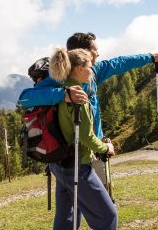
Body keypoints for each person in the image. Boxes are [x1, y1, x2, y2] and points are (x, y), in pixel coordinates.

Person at [18, 32, 158, 182]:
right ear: (82, 54)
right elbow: (25, 98)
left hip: (94, 144)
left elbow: (119, 63)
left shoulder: (92, 72)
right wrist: (63, 94)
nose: (98, 53)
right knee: (94, 199)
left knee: (88, 196)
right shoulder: (59, 77)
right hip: (71, 154)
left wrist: (151, 57)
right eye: (95, 49)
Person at [48, 48, 116, 230]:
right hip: (78, 167)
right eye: (89, 66)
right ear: (78, 69)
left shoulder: (61, 91)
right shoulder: (79, 98)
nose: (92, 71)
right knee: (108, 216)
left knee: (66, 218)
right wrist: (105, 148)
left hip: (58, 164)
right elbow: (86, 137)